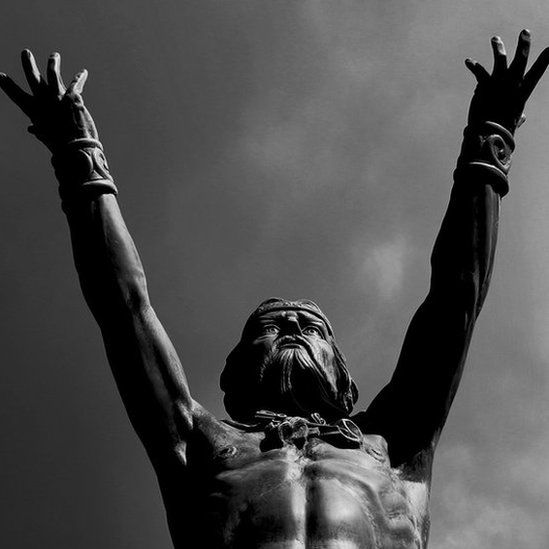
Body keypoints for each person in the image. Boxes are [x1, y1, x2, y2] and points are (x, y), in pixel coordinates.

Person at [1, 30, 547, 549]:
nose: (290, 326)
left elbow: (455, 297)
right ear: (233, 377)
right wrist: (77, 154)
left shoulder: (394, 444)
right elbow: (125, 311)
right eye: (270, 326)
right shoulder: (199, 443)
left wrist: (489, 141)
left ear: (345, 383)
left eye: (313, 328)